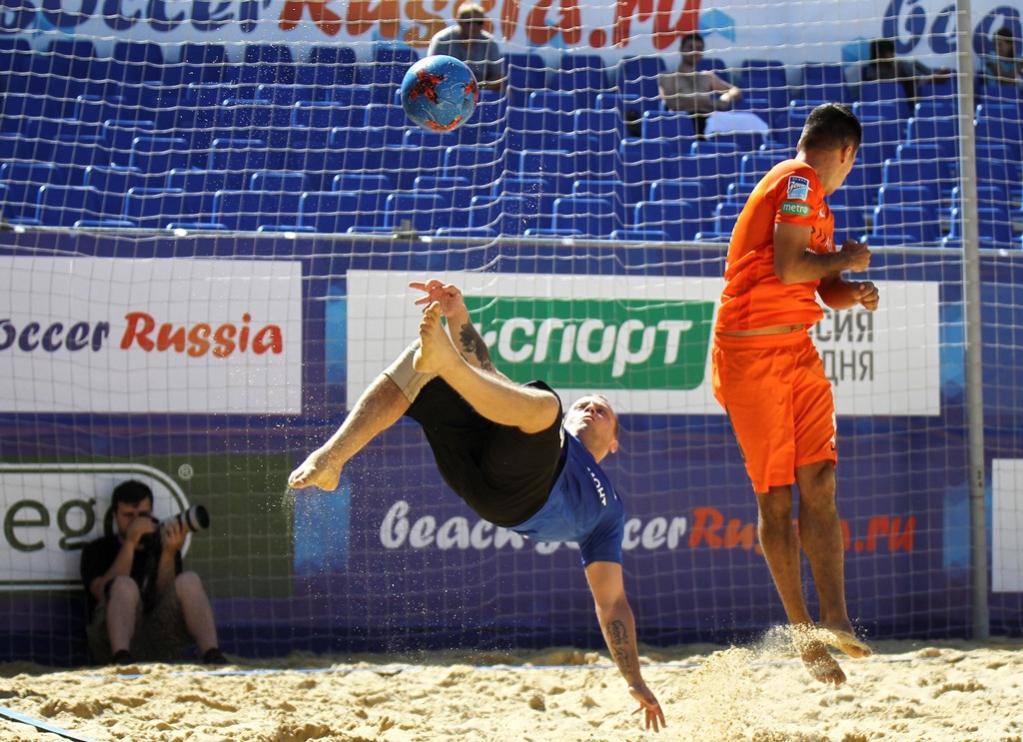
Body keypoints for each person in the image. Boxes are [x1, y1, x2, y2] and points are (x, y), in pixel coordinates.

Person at [289, 279, 666, 732]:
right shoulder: (549, 425)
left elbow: (612, 603)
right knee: (422, 366)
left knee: (540, 403)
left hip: (523, 497)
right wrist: (459, 316)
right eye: (584, 404)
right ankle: (332, 459)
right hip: (482, 467)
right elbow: (486, 368)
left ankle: (447, 364)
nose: (590, 408)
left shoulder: (610, 507)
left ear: (615, 442)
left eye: (602, 410)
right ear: (571, 420)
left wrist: (634, 679)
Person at [711, 103, 877, 685]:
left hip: (796, 348)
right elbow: (788, 267)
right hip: (752, 353)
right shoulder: (799, 180)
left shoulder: (817, 202)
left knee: (821, 482)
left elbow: (820, 286)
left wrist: (852, 289)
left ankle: (836, 619)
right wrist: (845, 257)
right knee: (776, 501)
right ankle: (805, 636)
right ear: (846, 153)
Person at [80, 480, 226, 666]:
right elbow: (100, 592)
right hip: (111, 642)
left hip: (158, 639)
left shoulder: (161, 544)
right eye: (128, 515)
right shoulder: (96, 549)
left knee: (189, 580)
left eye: (142, 515)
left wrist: (169, 552)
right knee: (124, 584)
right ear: (115, 515)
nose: (137, 521)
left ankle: (212, 655)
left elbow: (164, 595)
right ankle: (121, 659)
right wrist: (130, 543)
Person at [658, 32, 742, 136]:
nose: (694, 51)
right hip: (683, 124)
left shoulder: (707, 76)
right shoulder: (667, 77)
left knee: (748, 121)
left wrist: (725, 99)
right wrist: (713, 104)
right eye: (690, 47)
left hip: (708, 121)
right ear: (681, 49)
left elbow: (735, 90)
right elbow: (674, 104)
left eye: (699, 48)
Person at [427, 2, 505, 92]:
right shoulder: (442, 40)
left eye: (479, 22)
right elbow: (431, 72)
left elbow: (498, 77)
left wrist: (473, 90)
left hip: (480, 92)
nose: (474, 26)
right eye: (469, 22)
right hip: (446, 91)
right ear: (459, 21)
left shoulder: (490, 42)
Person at [861, 38, 952, 106]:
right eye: (889, 53)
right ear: (879, 55)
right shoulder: (871, 70)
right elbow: (884, 86)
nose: (892, 55)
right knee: (906, 69)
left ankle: (931, 76)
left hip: (912, 83)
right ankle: (928, 79)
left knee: (912, 62)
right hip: (905, 92)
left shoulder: (897, 64)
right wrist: (897, 72)